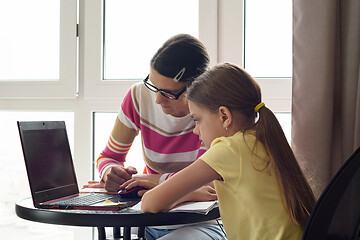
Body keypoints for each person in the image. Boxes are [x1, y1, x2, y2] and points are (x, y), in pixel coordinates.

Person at [132, 63, 316, 239]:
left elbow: (150, 203)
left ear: (224, 116)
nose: (196, 130)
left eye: (197, 119)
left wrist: (190, 194)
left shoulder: (229, 149)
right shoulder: (261, 139)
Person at [91, 34, 227, 240]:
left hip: (205, 222)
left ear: (197, 87)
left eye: (168, 92)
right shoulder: (138, 97)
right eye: (152, 86)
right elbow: (108, 156)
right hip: (149, 218)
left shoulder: (212, 116)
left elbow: (210, 184)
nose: (157, 100)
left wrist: (155, 181)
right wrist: (111, 171)